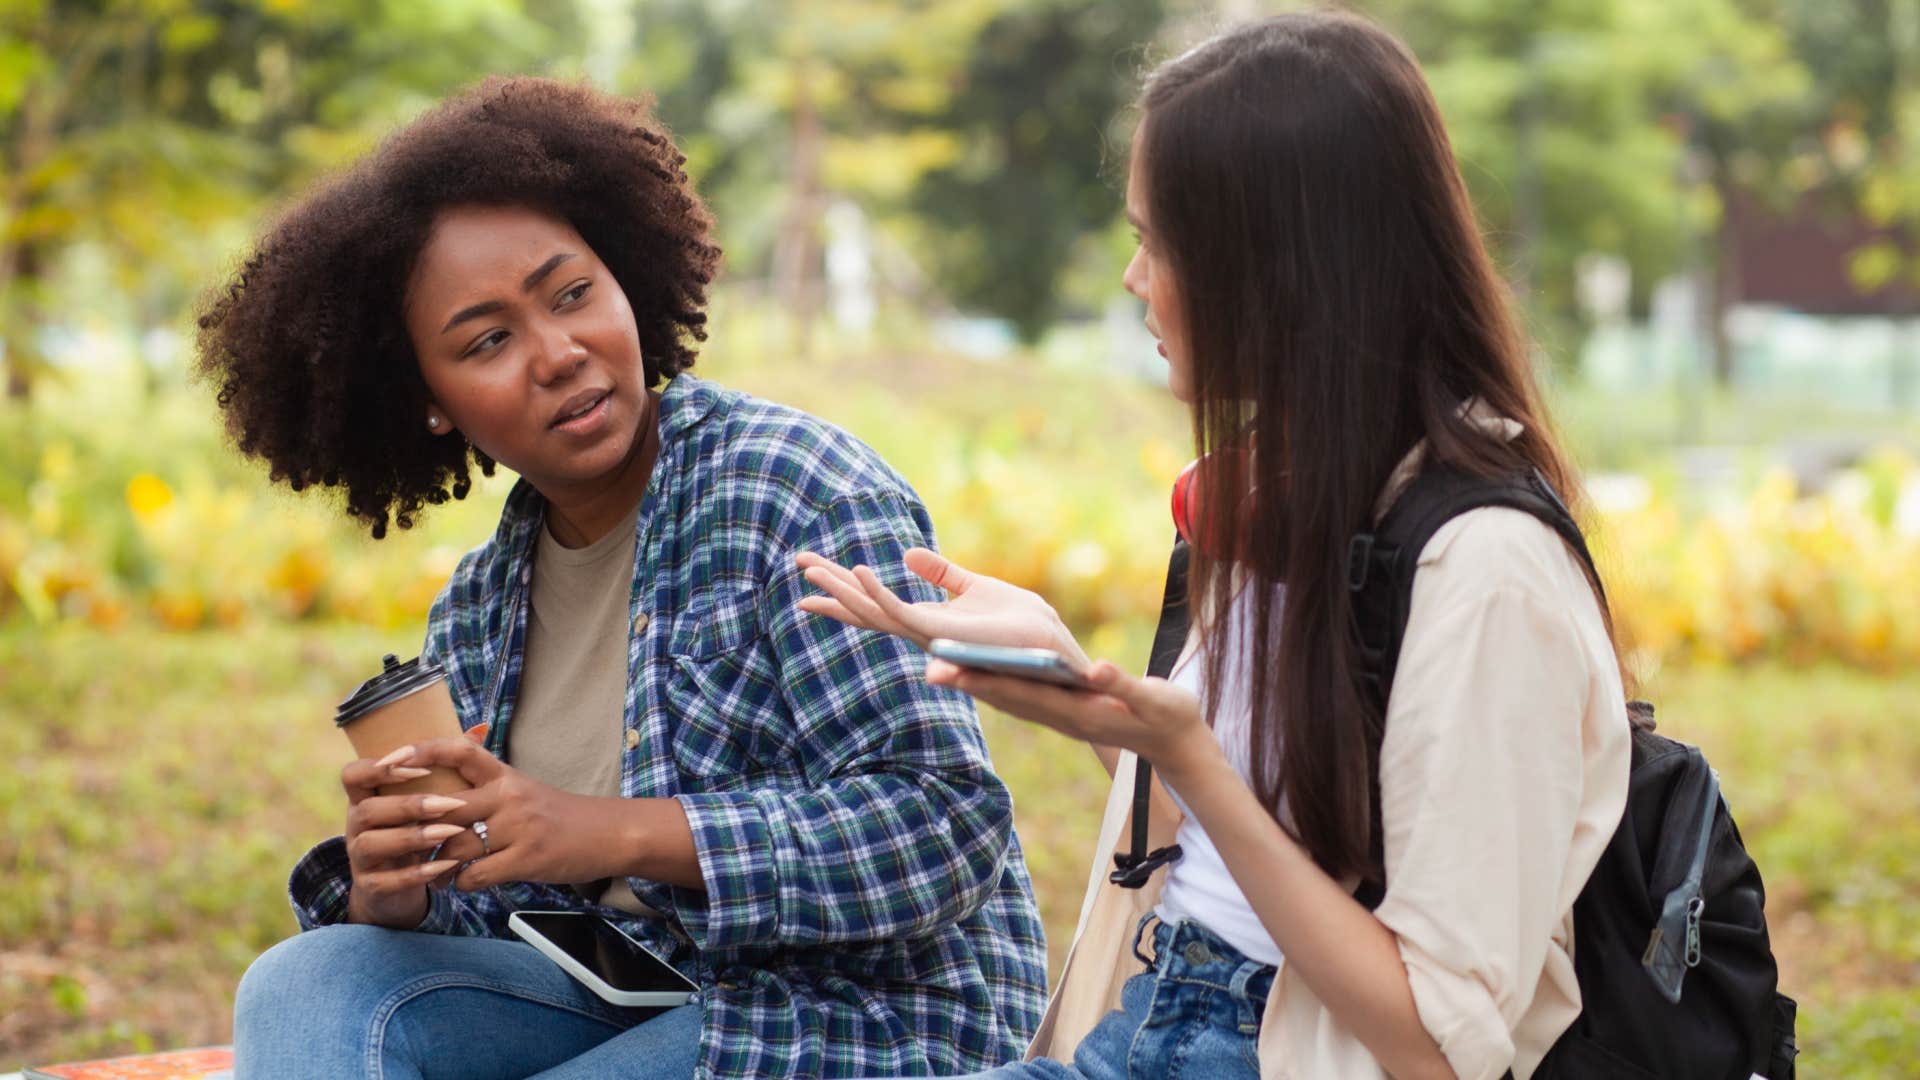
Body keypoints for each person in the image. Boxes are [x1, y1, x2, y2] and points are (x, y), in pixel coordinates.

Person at [796, 13, 1631, 1080]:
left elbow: (1438, 1045)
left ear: (1276, 271)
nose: (1136, 278)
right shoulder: (1294, 500)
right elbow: (1249, 851)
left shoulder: (1488, 572)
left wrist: (1185, 755)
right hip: (1155, 1013)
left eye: (1158, 241)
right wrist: (1080, 685)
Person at [204, 77, 1045, 1080]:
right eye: (488, 340)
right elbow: (517, 906)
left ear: (627, 279)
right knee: (304, 982)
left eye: (573, 294)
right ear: (427, 401)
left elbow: (941, 830)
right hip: (630, 1006)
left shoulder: (794, 492)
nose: (559, 354)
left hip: (853, 1020)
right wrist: (404, 898)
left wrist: (610, 832)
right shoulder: (477, 613)